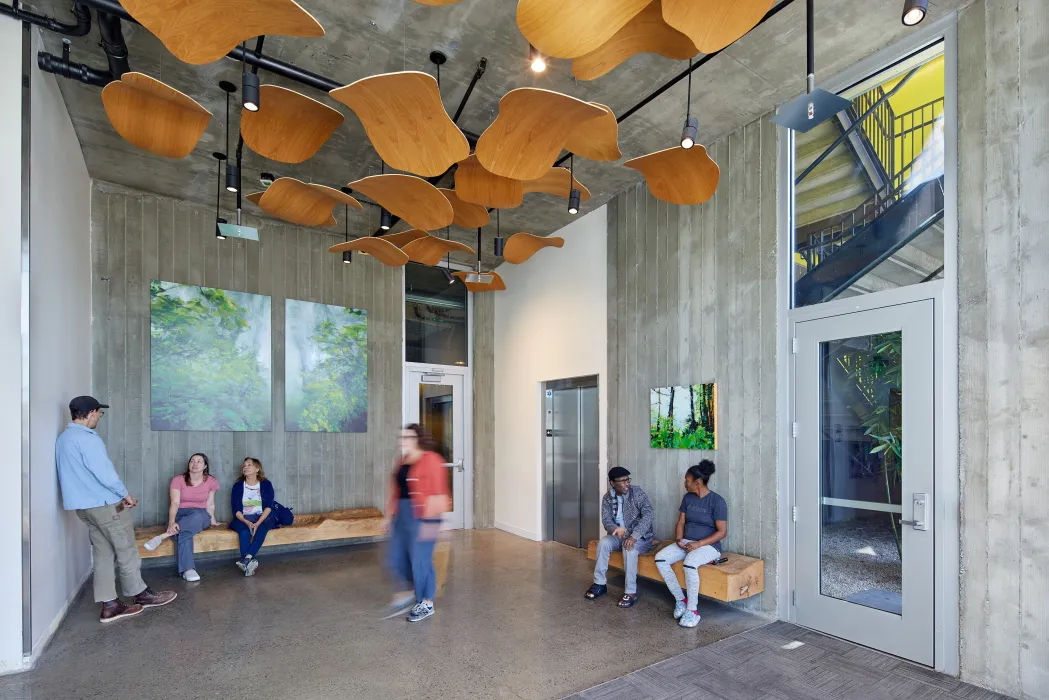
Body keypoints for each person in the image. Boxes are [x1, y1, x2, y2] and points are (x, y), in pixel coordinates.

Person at [55, 396, 177, 623]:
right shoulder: (87, 438)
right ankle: (140, 594)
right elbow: (104, 472)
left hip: (83, 508)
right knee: (127, 549)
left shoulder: (64, 438)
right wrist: (125, 494)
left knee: (103, 553)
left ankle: (110, 605)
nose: (99, 417)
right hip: (104, 504)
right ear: (91, 412)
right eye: (100, 413)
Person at [383, 424, 450, 623]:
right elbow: (395, 490)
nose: (404, 440)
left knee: (421, 560)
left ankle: (426, 602)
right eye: (402, 437)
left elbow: (440, 491)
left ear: (418, 438)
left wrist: (438, 522)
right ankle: (410, 588)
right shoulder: (402, 460)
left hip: (425, 515)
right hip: (402, 515)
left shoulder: (432, 459)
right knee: (396, 557)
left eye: (408, 436)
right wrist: (388, 516)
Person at [654, 460, 728, 628]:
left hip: (709, 547)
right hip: (686, 543)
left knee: (689, 563)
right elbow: (681, 522)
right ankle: (681, 600)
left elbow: (722, 532)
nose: (684, 484)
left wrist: (699, 543)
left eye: (686, 480)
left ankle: (692, 611)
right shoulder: (688, 498)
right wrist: (679, 539)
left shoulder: (717, 501)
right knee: (660, 559)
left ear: (697, 483)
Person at [143, 453, 220, 581]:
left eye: (199, 461)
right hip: (180, 514)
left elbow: (210, 503)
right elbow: (175, 503)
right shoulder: (178, 480)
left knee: (197, 516)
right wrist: (172, 522)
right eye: (192, 461)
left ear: (205, 465)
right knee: (185, 533)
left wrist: (213, 520)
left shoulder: (211, 481)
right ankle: (188, 569)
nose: (195, 464)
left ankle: (163, 536)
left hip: (200, 515)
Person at [585, 466, 655, 608]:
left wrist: (634, 536)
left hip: (640, 537)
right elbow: (606, 520)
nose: (626, 483)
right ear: (612, 483)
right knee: (603, 543)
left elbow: (648, 515)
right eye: (622, 481)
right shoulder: (608, 498)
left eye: (627, 480)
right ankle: (600, 584)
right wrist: (615, 529)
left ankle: (631, 592)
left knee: (629, 548)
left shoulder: (637, 493)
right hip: (619, 535)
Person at [228, 457, 274, 576]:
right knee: (244, 531)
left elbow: (268, 507)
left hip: (261, 517)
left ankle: (246, 559)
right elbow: (236, 509)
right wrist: (246, 522)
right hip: (242, 518)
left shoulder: (266, 484)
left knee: (262, 529)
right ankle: (248, 562)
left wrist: (258, 523)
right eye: (244, 466)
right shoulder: (238, 486)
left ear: (257, 469)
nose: (245, 467)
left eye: (249, 465)